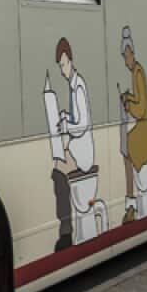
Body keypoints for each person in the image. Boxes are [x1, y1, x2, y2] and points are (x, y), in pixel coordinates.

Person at [51, 37, 95, 251]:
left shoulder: (78, 86)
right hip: (78, 146)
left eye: (64, 65)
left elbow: (84, 124)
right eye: (60, 66)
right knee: (58, 167)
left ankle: (66, 230)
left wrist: (67, 125)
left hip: (83, 151)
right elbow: (78, 118)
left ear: (70, 60)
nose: (62, 70)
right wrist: (66, 116)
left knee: (58, 171)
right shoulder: (73, 85)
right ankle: (65, 228)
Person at [118, 27, 147, 223]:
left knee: (126, 153)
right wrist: (128, 96)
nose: (125, 60)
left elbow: (141, 109)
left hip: (143, 129)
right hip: (141, 127)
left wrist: (128, 104)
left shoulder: (138, 72)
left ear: (131, 53)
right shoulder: (137, 71)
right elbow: (139, 98)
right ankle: (130, 203)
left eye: (126, 56)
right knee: (125, 149)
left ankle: (131, 205)